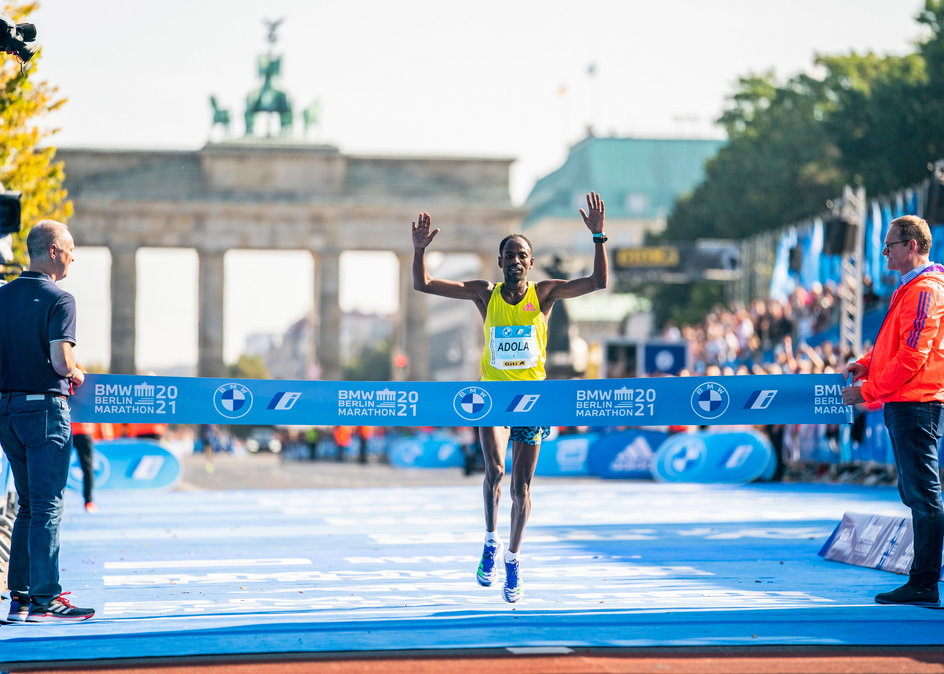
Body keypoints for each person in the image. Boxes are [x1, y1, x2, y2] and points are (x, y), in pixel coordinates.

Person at [411, 192, 608, 602]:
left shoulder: (546, 294)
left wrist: (598, 237)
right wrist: (419, 251)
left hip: (533, 400)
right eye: (509, 255)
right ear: (500, 263)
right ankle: (489, 541)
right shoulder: (486, 294)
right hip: (493, 398)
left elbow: (597, 283)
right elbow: (423, 284)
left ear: (530, 263)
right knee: (495, 472)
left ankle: (514, 560)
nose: (516, 261)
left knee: (522, 487)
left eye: (522, 255)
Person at [841, 215, 944, 608]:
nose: (884, 252)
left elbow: (912, 356)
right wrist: (867, 363)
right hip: (909, 400)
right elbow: (895, 347)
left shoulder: (924, 290)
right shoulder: (914, 289)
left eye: (890, 245)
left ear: (912, 246)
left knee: (923, 494)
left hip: (916, 401)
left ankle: (923, 583)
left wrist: (867, 389)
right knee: (917, 492)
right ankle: (923, 581)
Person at [0, 220, 95, 623]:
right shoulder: (61, 299)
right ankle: (45, 598)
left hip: (6, 411)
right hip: (44, 411)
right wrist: (74, 372)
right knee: (47, 507)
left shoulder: (2, 297)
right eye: (71, 250)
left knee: (25, 506)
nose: (74, 257)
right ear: (53, 251)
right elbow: (61, 360)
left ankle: (19, 597)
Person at [71, 421, 97, 513]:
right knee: (58, 467)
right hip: (66, 431)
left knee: (87, 469)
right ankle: (54, 498)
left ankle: (89, 501)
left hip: (84, 431)